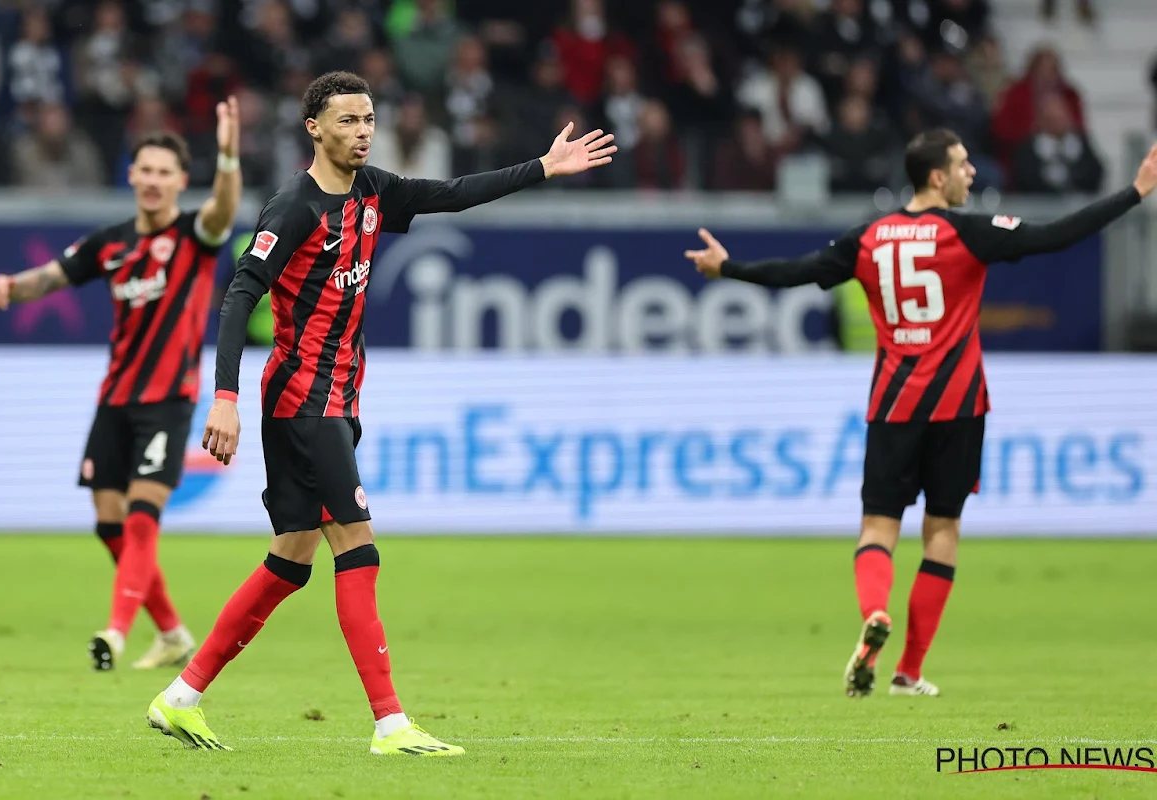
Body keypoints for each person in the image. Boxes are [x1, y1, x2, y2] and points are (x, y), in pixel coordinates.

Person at [144, 71, 615, 754]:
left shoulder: (373, 191)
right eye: (347, 122)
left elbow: (452, 194)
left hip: (336, 398)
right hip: (304, 400)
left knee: (291, 559)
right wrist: (224, 397)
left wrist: (543, 166)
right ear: (314, 127)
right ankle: (391, 722)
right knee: (357, 545)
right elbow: (239, 295)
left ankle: (180, 696)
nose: (362, 132)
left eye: (368, 120)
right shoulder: (293, 209)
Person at [684, 128, 1157, 698]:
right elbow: (1056, 236)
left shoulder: (867, 240)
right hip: (959, 405)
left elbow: (797, 271)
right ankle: (908, 670)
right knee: (942, 531)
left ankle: (875, 612)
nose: (971, 174)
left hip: (893, 405)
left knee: (878, 527)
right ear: (937, 177)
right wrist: (1135, 192)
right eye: (962, 166)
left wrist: (728, 269)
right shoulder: (970, 233)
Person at [0, 99, 243, 672]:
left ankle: (117, 633)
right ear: (131, 175)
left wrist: (227, 154)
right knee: (108, 524)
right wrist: (9, 285)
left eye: (163, 173)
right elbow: (52, 276)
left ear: (179, 181)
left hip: (169, 400)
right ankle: (173, 633)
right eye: (144, 170)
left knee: (142, 515)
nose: (152, 181)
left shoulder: (194, 235)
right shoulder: (110, 242)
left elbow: (225, 209)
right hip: (115, 398)